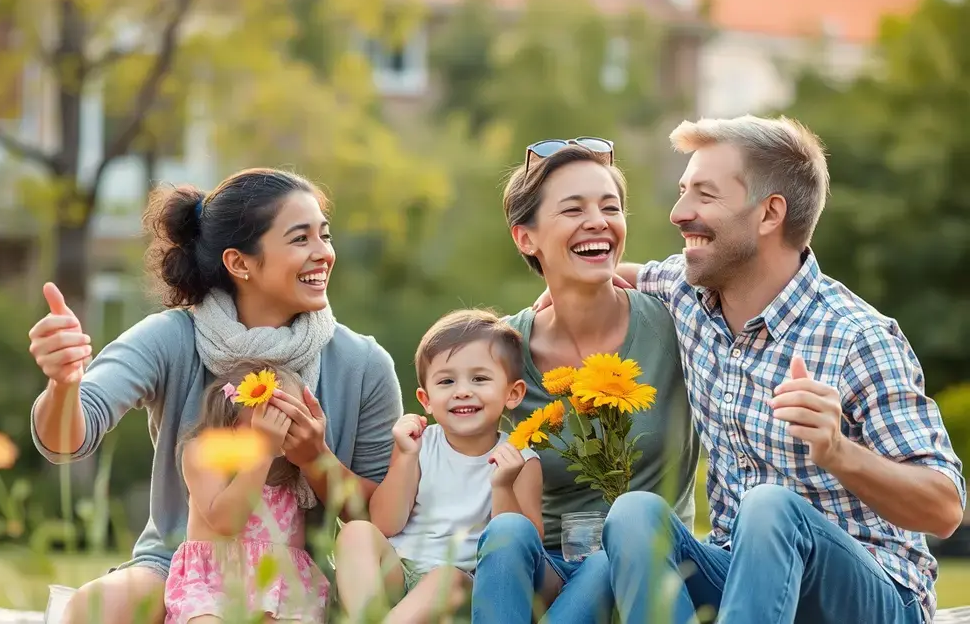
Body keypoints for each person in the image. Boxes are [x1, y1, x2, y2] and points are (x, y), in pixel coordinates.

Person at [533, 115, 967, 623]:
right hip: (741, 574)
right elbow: (622, 275)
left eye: (704, 195)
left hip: (874, 598)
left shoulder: (857, 338)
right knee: (633, 515)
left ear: (769, 214)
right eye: (682, 191)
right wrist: (565, 293)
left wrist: (839, 452)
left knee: (770, 506)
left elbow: (943, 508)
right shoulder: (689, 294)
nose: (678, 213)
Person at [26, 168, 403, 624]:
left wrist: (316, 459)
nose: (323, 253)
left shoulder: (362, 363)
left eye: (324, 236)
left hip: (297, 580)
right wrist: (64, 383)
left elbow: (384, 515)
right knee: (94, 607)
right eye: (301, 239)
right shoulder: (172, 338)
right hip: (182, 566)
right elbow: (67, 441)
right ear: (240, 263)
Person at [471, 140, 701, 623]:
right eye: (573, 209)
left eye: (610, 207)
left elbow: (737, 272)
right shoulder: (503, 351)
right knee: (506, 534)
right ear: (525, 238)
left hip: (653, 562)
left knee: (613, 555)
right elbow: (452, 442)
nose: (598, 221)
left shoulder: (675, 321)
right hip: (552, 569)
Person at [334, 309, 543, 624]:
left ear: (512, 393)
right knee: (356, 531)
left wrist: (502, 485)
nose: (462, 390)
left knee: (446, 577)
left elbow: (524, 547)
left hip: (463, 582)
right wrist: (405, 457)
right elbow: (385, 523)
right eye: (447, 381)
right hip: (400, 570)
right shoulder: (420, 444)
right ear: (426, 399)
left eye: (480, 378)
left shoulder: (521, 459)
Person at [166, 361, 329, 623]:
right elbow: (226, 522)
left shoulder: (294, 470)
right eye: (279, 417)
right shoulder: (205, 451)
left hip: (279, 587)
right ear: (236, 420)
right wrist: (262, 450)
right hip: (211, 583)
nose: (288, 430)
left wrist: (314, 450)